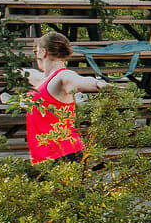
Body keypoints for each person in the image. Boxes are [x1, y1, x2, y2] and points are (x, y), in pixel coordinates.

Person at [25, 32, 106, 165]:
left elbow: (78, 80)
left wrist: (98, 84)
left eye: (36, 51)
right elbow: (32, 75)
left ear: (43, 52)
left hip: (63, 156)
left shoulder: (63, 76)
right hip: (45, 158)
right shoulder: (44, 79)